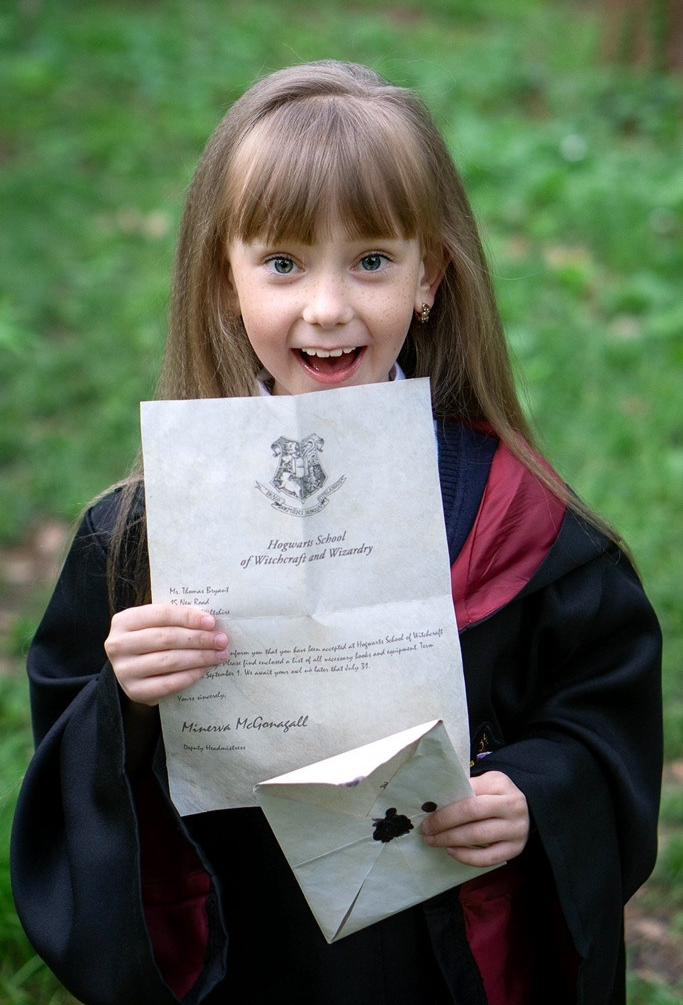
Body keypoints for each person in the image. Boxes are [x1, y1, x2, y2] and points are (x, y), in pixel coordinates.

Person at [11, 60, 662, 1005]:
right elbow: (73, 767)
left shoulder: (518, 520)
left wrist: (535, 792)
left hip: (438, 952)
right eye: (282, 263)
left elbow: (596, 712)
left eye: (371, 261)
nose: (326, 307)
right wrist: (128, 702)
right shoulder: (141, 538)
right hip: (250, 940)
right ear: (224, 280)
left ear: (428, 277)